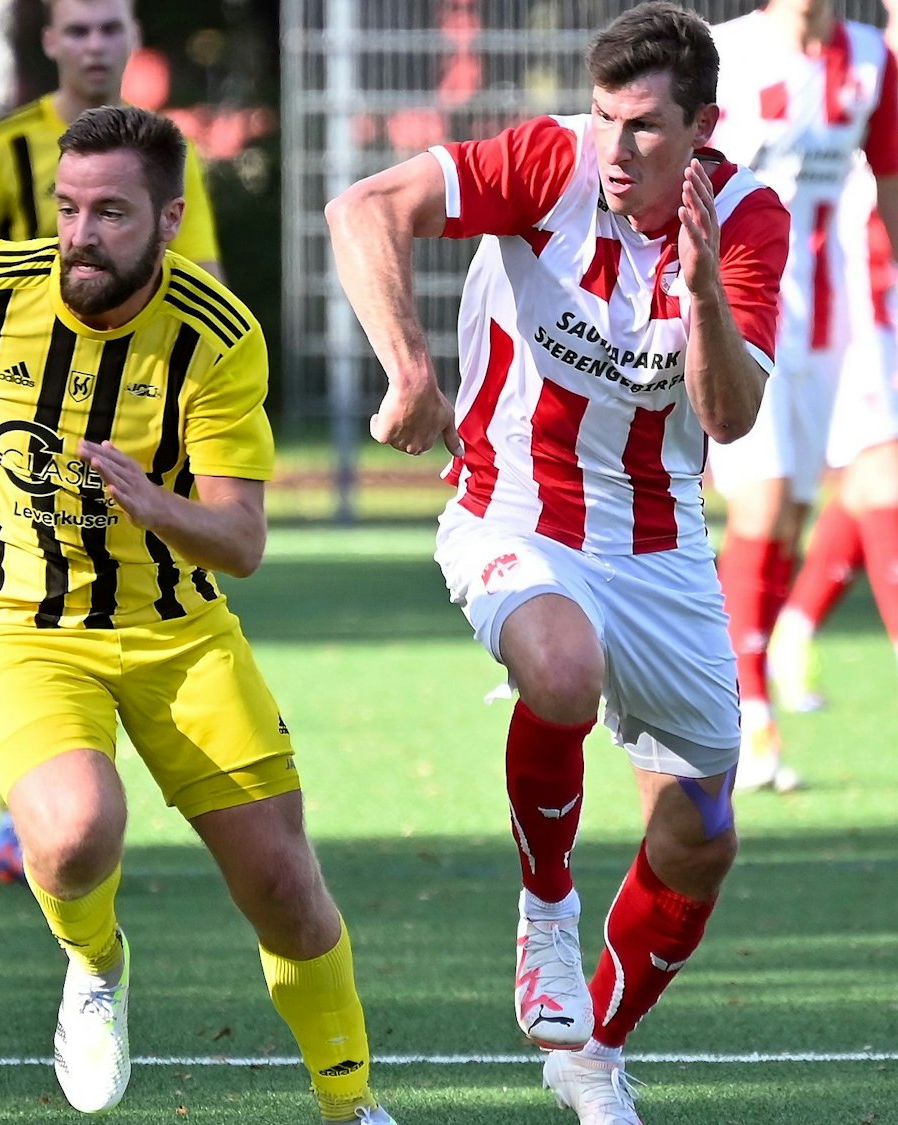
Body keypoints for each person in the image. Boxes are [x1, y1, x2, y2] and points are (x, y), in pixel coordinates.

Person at [0, 105, 394, 1124]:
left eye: (110, 213)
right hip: (15, 622)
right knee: (72, 832)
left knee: (285, 892)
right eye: (68, 209)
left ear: (166, 220)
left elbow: (240, 543)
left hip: (177, 630)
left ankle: (350, 1107)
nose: (79, 234)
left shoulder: (215, 333)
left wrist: (155, 504)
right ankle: (94, 963)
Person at [326, 3, 787, 1121]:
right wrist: (406, 369)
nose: (613, 150)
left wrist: (699, 293)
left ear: (700, 128)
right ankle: (543, 909)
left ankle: (592, 1052)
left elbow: (726, 419)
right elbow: (363, 207)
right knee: (560, 667)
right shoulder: (545, 161)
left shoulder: (746, 218)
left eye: (639, 128)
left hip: (659, 538)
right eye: (602, 119)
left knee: (701, 829)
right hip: (510, 510)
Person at [0, 0, 223, 885]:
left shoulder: (163, 156)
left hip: (142, 426)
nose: (92, 44)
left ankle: (93, 801)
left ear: (132, 40)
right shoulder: (4, 151)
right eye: (75, 30)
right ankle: (36, 805)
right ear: (49, 43)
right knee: (25, 596)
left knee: (143, 598)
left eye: (108, 28)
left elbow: (206, 285)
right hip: (24, 424)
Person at [703, 0, 898, 790]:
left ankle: (759, 666)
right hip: (744, 309)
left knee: (792, 513)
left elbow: (886, 187)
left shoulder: (872, 59)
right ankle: (746, 718)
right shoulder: (727, 54)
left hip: (835, 324)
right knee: (765, 500)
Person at [769, 2, 898, 713]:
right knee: (881, 470)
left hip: (874, 293)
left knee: (868, 476)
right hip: (859, 295)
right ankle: (772, 647)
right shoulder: (865, 64)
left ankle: (793, 624)